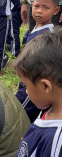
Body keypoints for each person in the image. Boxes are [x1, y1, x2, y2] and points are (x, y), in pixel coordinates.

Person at [14, 27, 62, 157]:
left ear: (45, 86)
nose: (26, 92)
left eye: (26, 86)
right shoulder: (49, 108)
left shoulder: (56, 140)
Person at [16, 0, 60, 123]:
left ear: (55, 11)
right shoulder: (35, 30)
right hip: (27, 83)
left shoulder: (45, 37)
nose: (39, 11)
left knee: (20, 116)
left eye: (46, 7)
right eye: (36, 6)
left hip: (33, 86)